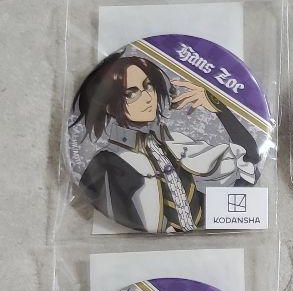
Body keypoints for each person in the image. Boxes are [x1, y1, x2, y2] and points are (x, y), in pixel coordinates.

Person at [72, 51, 260, 233]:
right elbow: (102, 211)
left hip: (206, 245)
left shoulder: (176, 145)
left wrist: (219, 108)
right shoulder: (106, 164)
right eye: (131, 93)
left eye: (148, 86)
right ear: (109, 106)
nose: (148, 98)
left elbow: (250, 158)